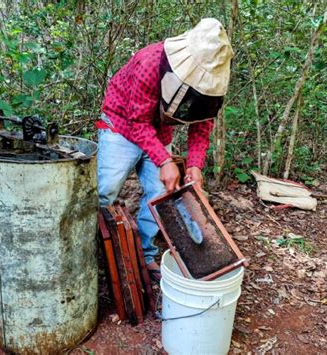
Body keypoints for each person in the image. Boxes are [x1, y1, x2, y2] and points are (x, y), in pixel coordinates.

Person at [97, 18, 233, 281]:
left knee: (161, 193)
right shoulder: (149, 62)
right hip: (121, 125)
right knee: (105, 191)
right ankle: (98, 253)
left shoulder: (210, 88)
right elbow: (137, 122)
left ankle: (144, 254)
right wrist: (164, 160)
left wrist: (194, 165)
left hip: (159, 133)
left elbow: (202, 125)